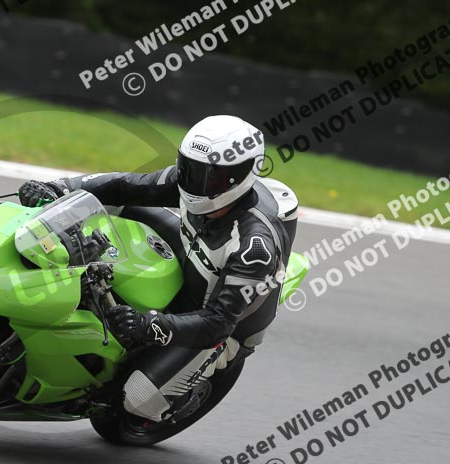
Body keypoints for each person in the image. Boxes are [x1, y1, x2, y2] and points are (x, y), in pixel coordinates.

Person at [17, 115, 299, 422]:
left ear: (239, 177)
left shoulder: (253, 249)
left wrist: (147, 324)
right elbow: (123, 186)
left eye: (210, 177)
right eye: (189, 168)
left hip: (222, 324)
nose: (194, 183)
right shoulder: (191, 183)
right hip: (192, 251)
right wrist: (57, 188)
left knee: (138, 399)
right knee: (109, 205)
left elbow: (218, 323)